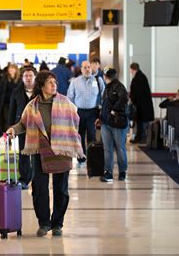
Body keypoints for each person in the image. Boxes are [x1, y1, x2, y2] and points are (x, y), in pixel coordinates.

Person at [7, 71, 84, 237]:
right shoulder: (32, 105)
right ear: (41, 86)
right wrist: (13, 129)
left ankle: (57, 223)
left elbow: (76, 119)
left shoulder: (65, 102)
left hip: (61, 149)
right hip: (39, 149)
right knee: (39, 188)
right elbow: (23, 124)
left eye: (55, 82)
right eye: (50, 82)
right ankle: (44, 223)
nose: (54, 85)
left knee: (61, 189)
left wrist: (67, 135)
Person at [67, 61, 105, 164]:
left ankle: (91, 156)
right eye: (85, 67)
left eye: (89, 67)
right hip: (79, 112)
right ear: (81, 69)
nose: (87, 69)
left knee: (92, 135)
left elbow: (103, 95)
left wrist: (101, 110)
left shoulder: (98, 80)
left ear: (91, 68)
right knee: (79, 135)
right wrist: (73, 111)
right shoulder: (75, 82)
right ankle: (81, 156)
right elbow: (70, 97)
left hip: (93, 112)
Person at [97, 67, 129, 182]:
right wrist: (100, 118)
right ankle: (108, 172)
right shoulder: (108, 88)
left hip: (117, 123)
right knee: (108, 148)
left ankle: (122, 172)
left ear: (105, 77)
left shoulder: (119, 87)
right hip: (106, 122)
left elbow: (124, 98)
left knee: (119, 148)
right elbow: (105, 104)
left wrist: (114, 110)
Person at [8, 66, 37, 189]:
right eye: (26, 76)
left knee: (36, 154)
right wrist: (11, 128)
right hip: (22, 126)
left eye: (31, 75)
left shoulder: (40, 91)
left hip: (37, 127)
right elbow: (12, 110)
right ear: (22, 78)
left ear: (35, 77)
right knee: (23, 153)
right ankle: (24, 179)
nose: (28, 78)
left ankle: (36, 178)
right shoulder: (16, 91)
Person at [129, 62, 154, 143]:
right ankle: (139, 138)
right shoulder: (140, 76)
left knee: (142, 123)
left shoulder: (139, 78)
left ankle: (141, 138)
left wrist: (132, 99)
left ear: (132, 69)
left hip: (142, 106)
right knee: (141, 123)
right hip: (142, 106)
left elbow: (137, 92)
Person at [0, 63, 20, 134]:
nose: (10, 70)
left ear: (16, 70)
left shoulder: (19, 80)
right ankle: (7, 135)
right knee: (7, 119)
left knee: (15, 119)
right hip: (6, 103)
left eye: (12, 68)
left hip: (16, 103)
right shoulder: (4, 78)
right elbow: (0, 91)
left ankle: (13, 134)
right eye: (10, 68)